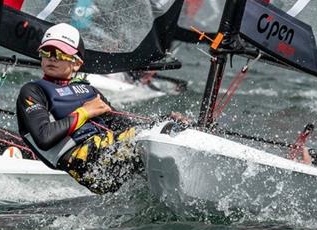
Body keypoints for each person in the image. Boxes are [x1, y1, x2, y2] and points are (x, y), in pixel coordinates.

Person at [16, 23, 188, 194]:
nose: (52, 58)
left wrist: (160, 121)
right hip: (88, 163)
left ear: (77, 63)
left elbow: (121, 123)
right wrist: (85, 112)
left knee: (169, 128)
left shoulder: (89, 90)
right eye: (47, 52)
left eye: (60, 53)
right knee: (144, 142)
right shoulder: (33, 91)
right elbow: (44, 137)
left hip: (109, 149)